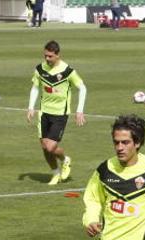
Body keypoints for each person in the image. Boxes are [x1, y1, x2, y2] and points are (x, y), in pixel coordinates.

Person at [27, 40, 87, 186]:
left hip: (60, 113)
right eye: (45, 56)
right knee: (44, 147)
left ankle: (65, 160)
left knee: (50, 147)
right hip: (44, 112)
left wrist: (79, 111)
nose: (47, 59)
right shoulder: (40, 69)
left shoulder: (68, 71)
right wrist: (30, 107)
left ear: (57, 55)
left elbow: (82, 88)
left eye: (50, 56)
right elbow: (35, 88)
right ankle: (55, 173)